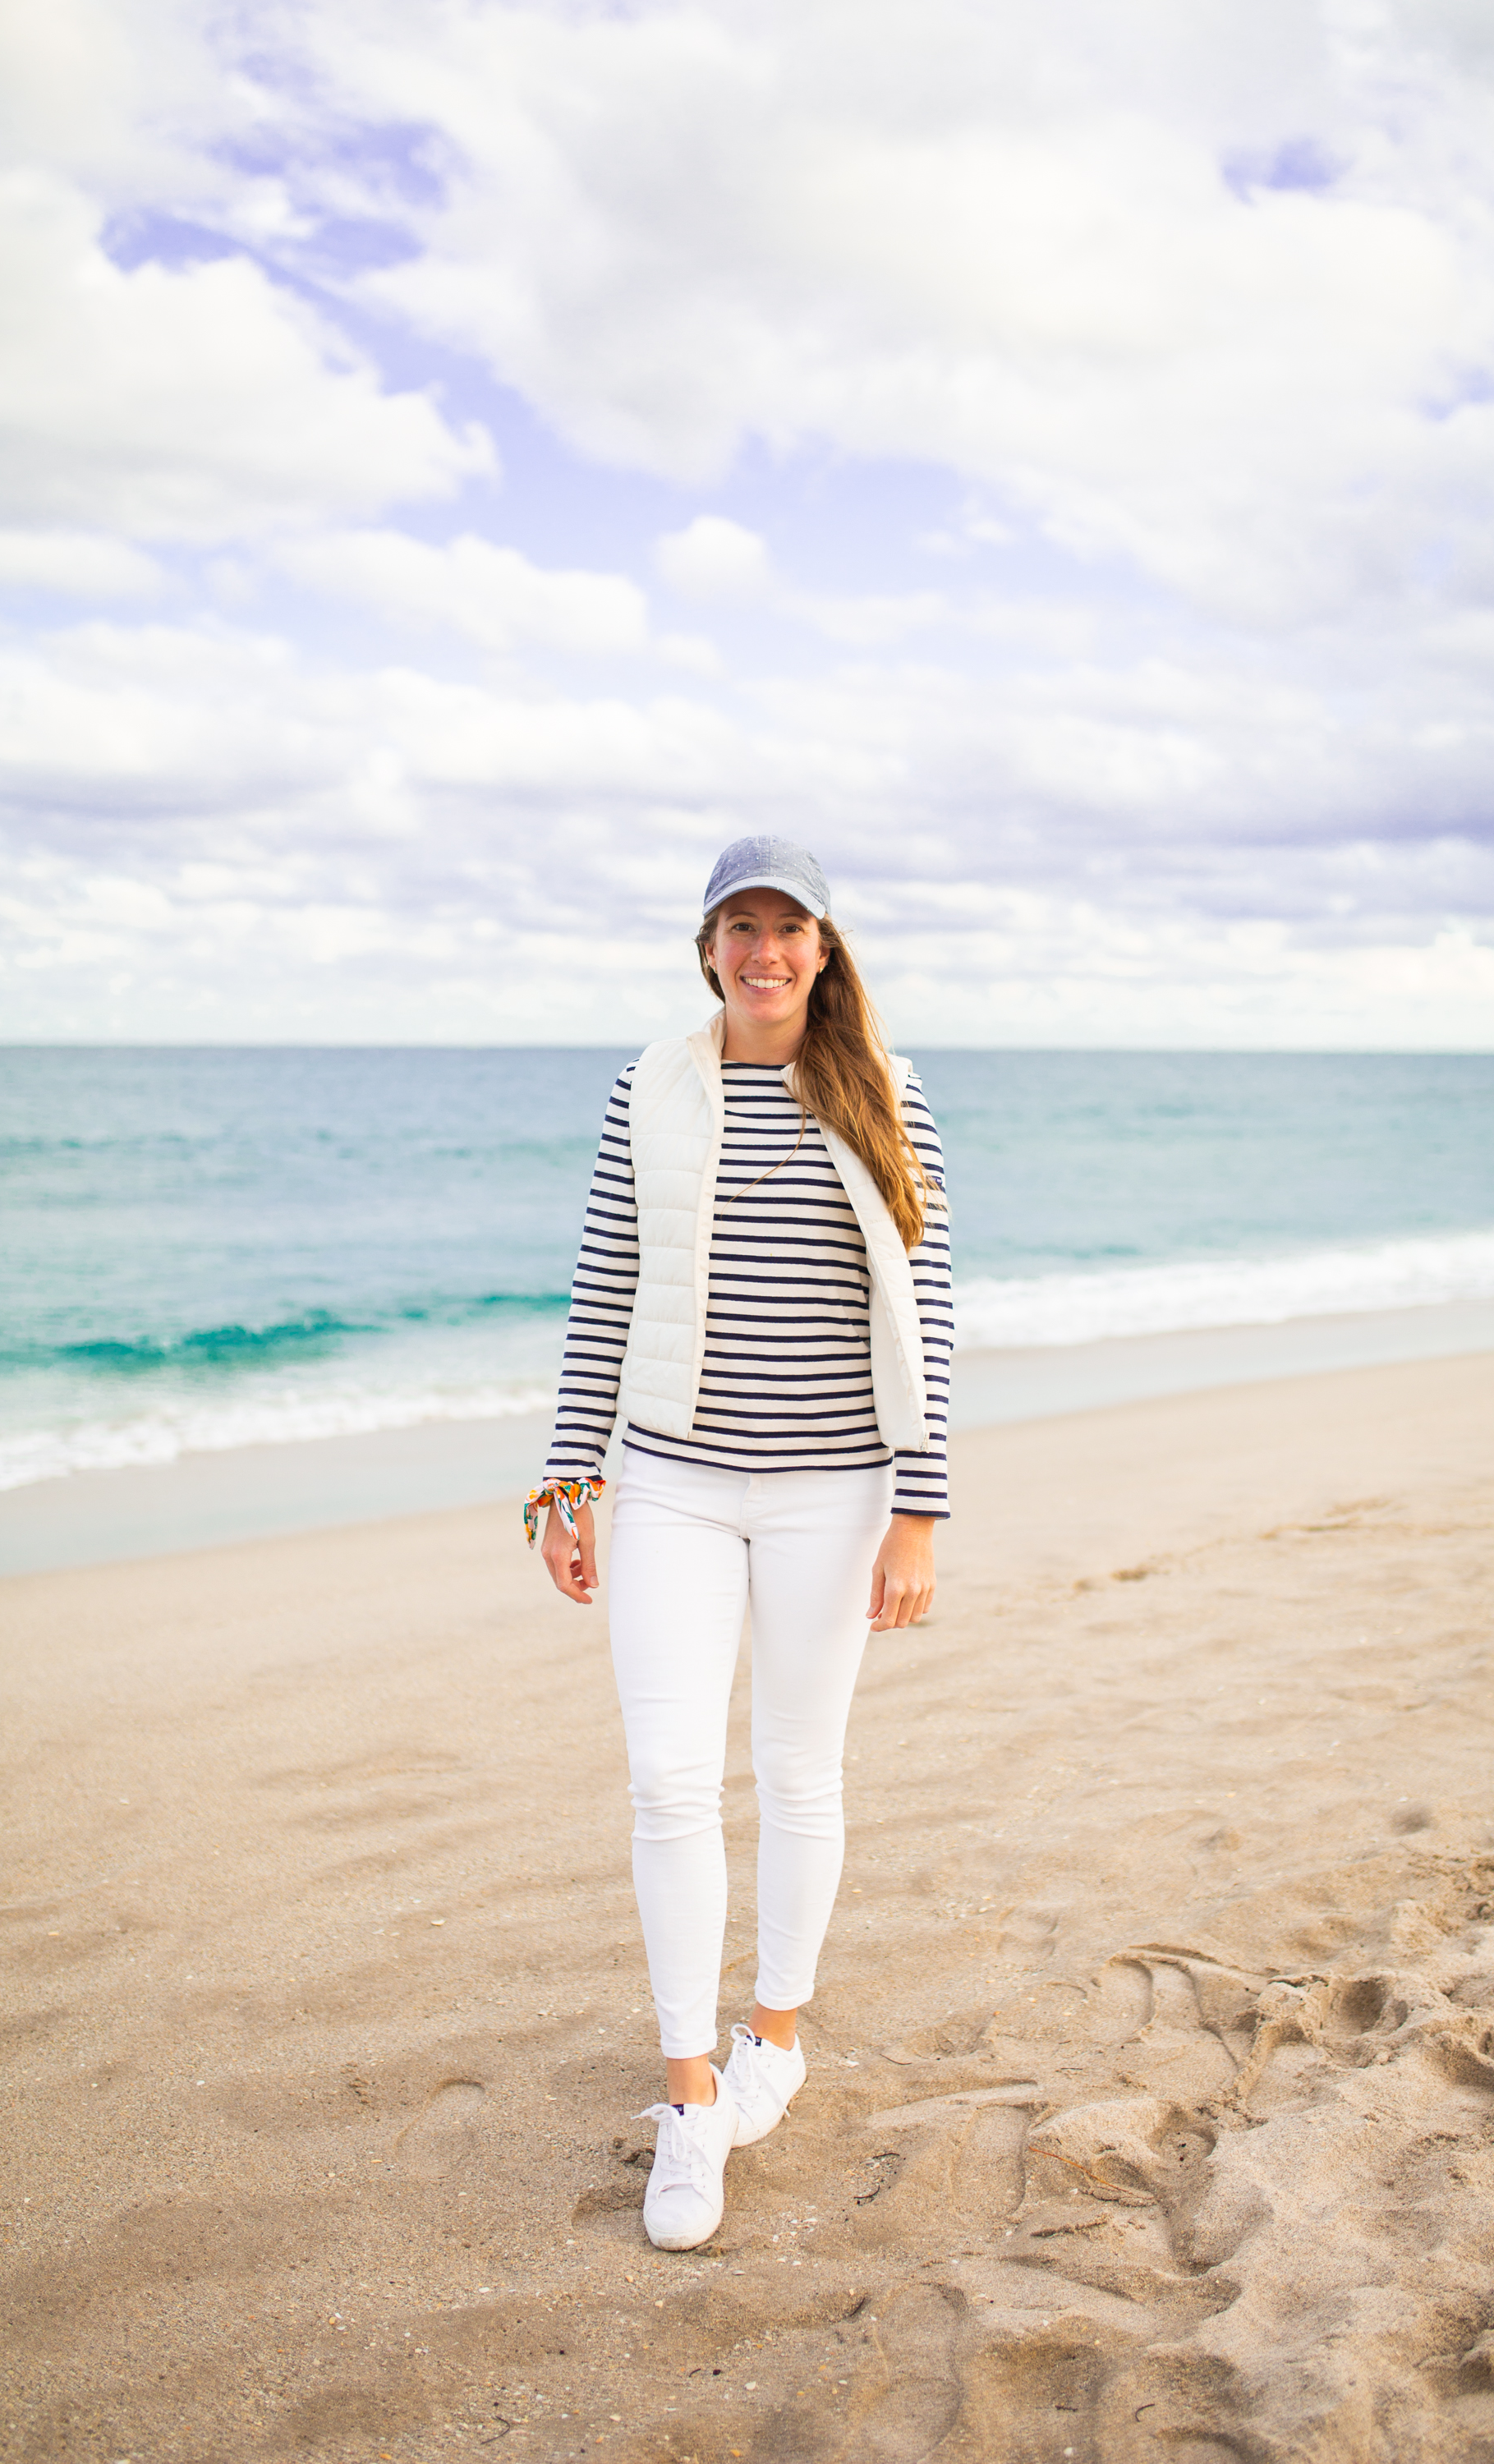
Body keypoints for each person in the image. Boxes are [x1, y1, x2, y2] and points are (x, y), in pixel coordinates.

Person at [524, 835, 952, 2250]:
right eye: (739, 927)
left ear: (826, 949)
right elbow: (602, 1288)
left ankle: (773, 2035)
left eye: (790, 928)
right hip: (672, 1488)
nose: (764, 951)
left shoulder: (891, 1098)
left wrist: (919, 1513)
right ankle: (691, 2099)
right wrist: (566, 1479)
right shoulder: (649, 1087)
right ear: (706, 945)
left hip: (837, 1491)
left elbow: (926, 1318)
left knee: (795, 1769)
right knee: (664, 1777)